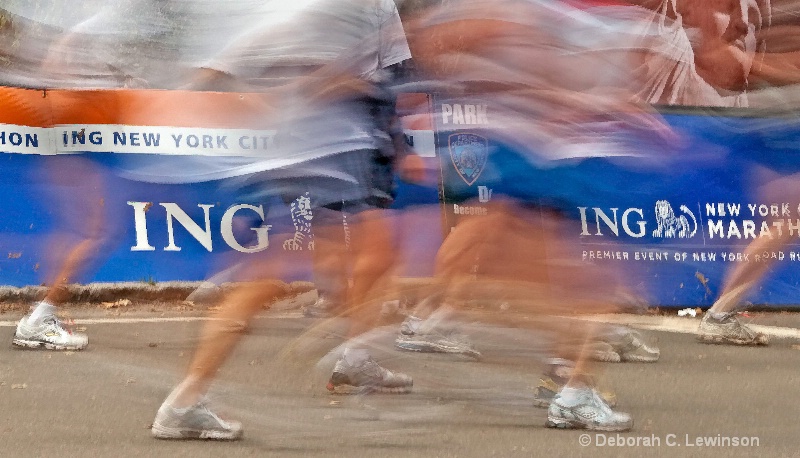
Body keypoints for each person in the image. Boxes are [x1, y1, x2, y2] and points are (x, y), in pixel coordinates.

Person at [151, 0, 418, 440]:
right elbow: (250, 53)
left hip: (337, 145)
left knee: (373, 254)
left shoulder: (372, 8)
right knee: (271, 277)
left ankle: (353, 360)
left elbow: (382, 69)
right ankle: (185, 401)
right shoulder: (309, 11)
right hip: (317, 148)